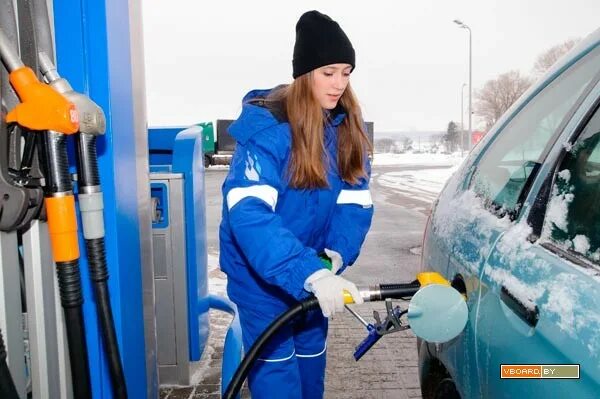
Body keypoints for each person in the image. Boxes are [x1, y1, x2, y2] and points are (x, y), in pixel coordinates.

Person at [219, 10, 373, 399]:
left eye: (346, 72)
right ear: (304, 73)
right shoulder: (267, 132)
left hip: (312, 272)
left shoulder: (345, 129)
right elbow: (250, 216)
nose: (339, 83)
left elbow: (354, 203)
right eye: (329, 72)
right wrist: (310, 273)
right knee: (278, 378)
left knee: (310, 367)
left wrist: (335, 256)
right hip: (261, 280)